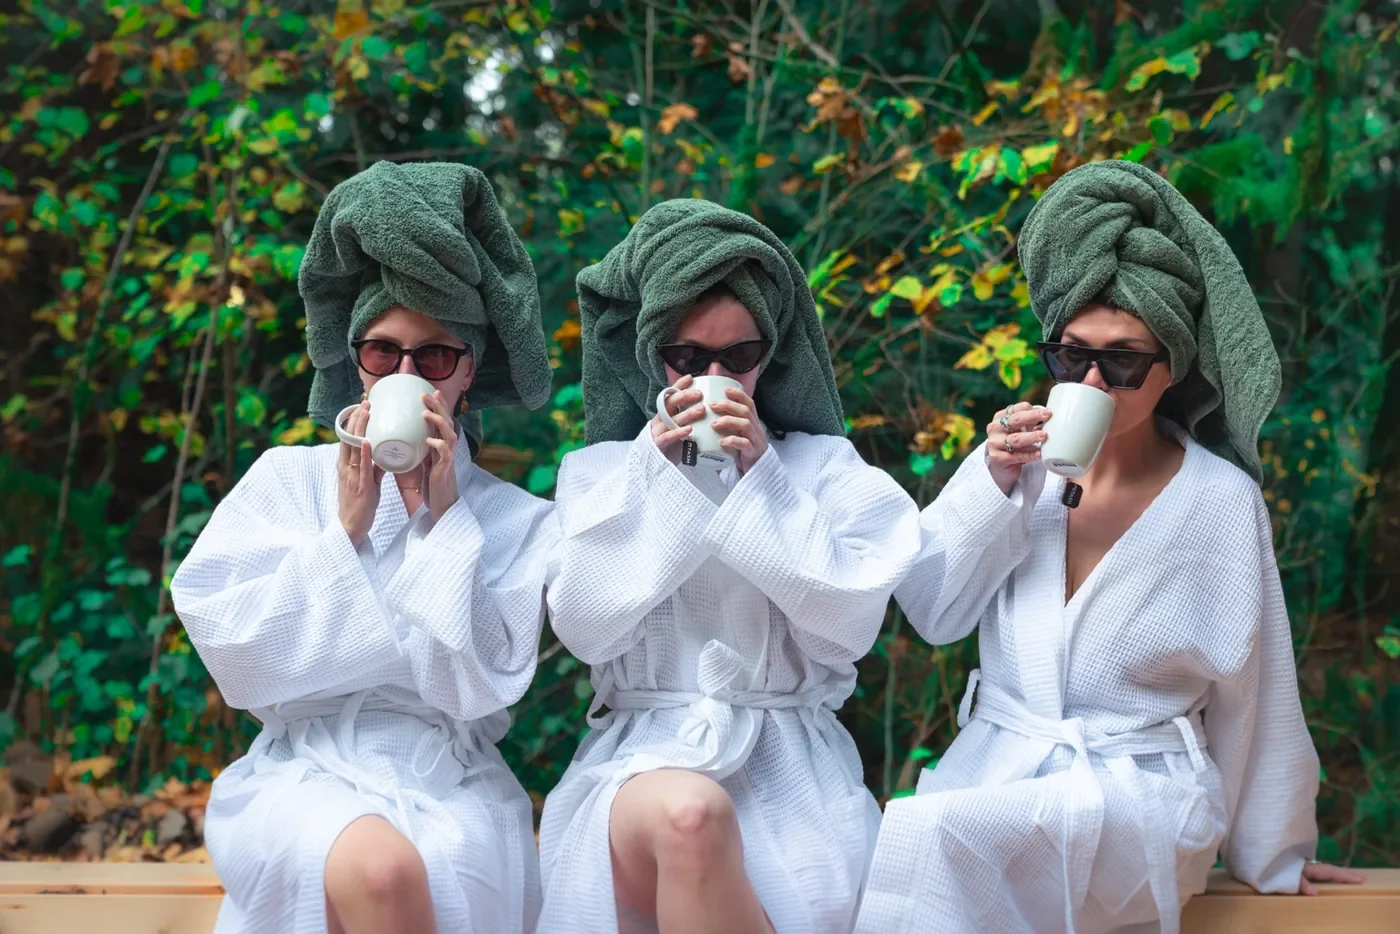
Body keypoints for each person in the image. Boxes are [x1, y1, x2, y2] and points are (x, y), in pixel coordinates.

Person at [854, 160, 1365, 934]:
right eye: (1070, 356)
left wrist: (1274, 852)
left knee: (926, 834)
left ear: (1172, 368)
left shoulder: (1219, 501)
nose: (1092, 380)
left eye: (1122, 361)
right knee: (938, 835)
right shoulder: (1013, 466)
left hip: (1142, 794)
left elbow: (1256, 694)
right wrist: (990, 487)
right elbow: (933, 611)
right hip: (997, 774)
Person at [170, 162, 555, 934]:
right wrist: (341, 533)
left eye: (434, 357)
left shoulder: (516, 519)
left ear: (467, 373)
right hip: (303, 768)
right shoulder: (286, 481)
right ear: (357, 362)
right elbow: (237, 657)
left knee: (441, 866)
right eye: (384, 353)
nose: (406, 375)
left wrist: (446, 525)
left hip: (454, 780)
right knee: (380, 869)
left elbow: (480, 692)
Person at [535, 199, 921, 933]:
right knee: (689, 815)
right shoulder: (601, 471)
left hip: (792, 769)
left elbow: (848, 628)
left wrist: (761, 476)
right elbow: (584, 623)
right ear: (656, 357)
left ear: (767, 357)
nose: (714, 377)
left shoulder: (826, 469)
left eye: (737, 358)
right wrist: (657, 473)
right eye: (688, 359)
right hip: (643, 760)